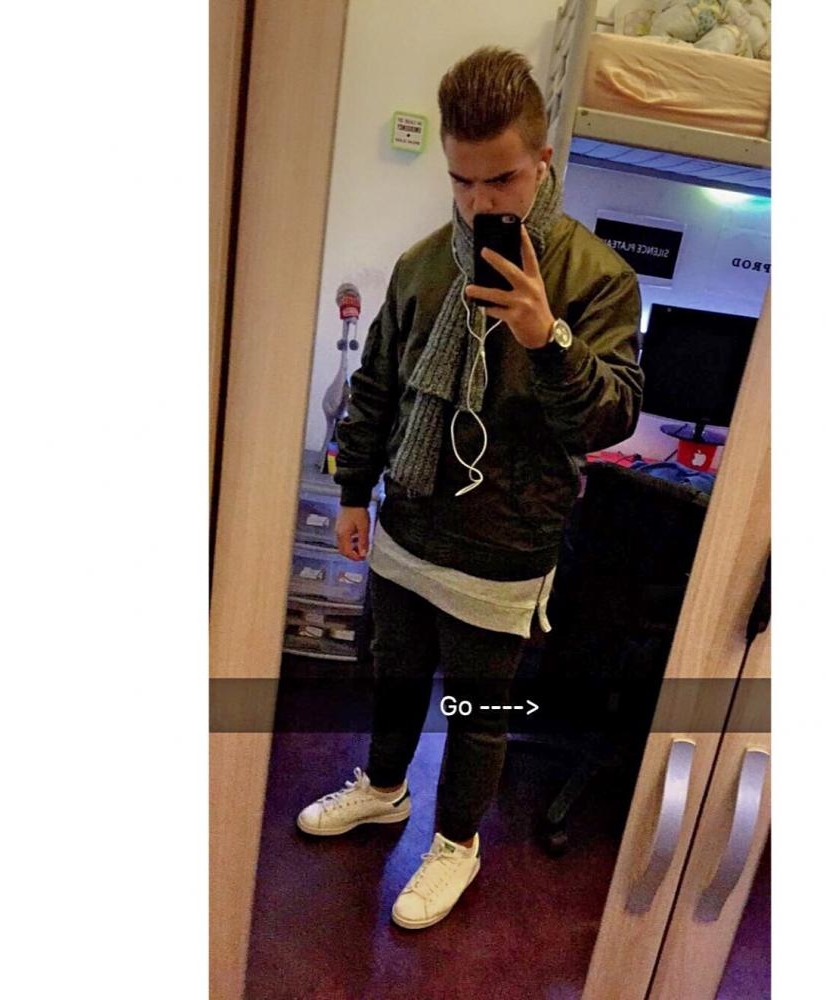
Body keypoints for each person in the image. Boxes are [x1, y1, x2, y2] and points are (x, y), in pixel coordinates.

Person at [297, 46, 643, 930]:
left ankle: (457, 843)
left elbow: (610, 419)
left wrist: (547, 338)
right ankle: (383, 789)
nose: (480, 203)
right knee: (394, 674)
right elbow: (375, 385)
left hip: (505, 546)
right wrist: (352, 491)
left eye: (501, 180)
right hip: (409, 524)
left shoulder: (598, 279)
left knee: (479, 713)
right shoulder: (423, 266)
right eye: (462, 181)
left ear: (543, 162)